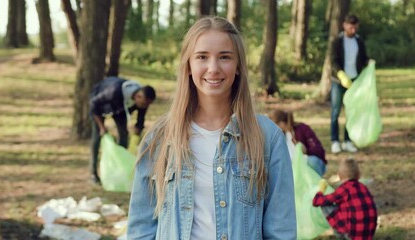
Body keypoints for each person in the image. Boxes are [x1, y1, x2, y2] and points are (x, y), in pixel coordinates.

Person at [127, 17, 296, 239]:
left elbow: (281, 230)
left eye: (224, 57)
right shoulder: (160, 137)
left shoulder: (267, 137)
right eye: (202, 57)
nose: (213, 68)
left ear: (238, 67)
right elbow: (141, 228)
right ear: (188, 65)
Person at [89, 76, 156, 184]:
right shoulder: (113, 91)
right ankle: (93, 173)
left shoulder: (144, 100)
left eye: (147, 105)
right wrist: (102, 127)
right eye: (143, 104)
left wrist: (138, 128)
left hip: (120, 109)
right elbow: (93, 104)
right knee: (97, 136)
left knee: (124, 135)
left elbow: (141, 117)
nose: (144, 107)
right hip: (100, 105)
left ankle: (119, 170)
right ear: (138, 96)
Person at [330, 14, 370, 153]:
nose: (353, 30)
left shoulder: (359, 41)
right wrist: (341, 74)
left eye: (355, 27)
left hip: (354, 81)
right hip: (338, 81)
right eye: (350, 27)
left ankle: (347, 140)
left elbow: (364, 58)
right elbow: (333, 60)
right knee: (335, 111)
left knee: (351, 111)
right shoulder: (338, 41)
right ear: (345, 25)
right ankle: (335, 141)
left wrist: (369, 63)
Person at [312, 159, 377, 240]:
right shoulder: (364, 188)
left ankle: (342, 236)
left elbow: (317, 201)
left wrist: (320, 191)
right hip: (369, 234)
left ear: (339, 176)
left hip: (353, 235)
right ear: (359, 175)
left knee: (326, 205)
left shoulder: (345, 189)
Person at [268, 109, 327, 176]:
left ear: (281, 123)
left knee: (311, 162)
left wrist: (306, 150)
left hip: (310, 163)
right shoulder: (280, 137)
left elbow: (319, 150)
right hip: (293, 168)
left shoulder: (302, 129)